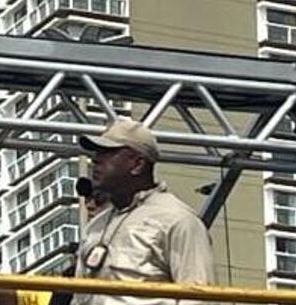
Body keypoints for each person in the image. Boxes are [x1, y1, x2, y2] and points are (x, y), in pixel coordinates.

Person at [75, 118, 213, 305]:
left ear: (137, 164)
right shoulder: (95, 226)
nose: (96, 159)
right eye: (97, 152)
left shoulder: (177, 220)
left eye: (108, 153)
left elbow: (199, 298)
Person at [0, 177, 107, 305]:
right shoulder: (59, 289)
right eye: (88, 198)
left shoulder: (123, 268)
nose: (90, 205)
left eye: (100, 199)